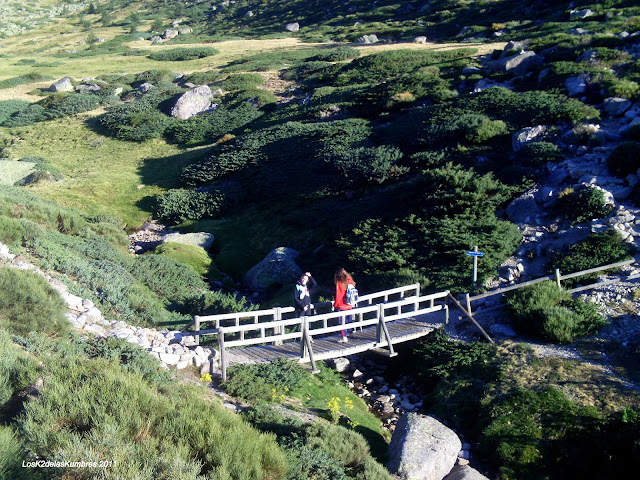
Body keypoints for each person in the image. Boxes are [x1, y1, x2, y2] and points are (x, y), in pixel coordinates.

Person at [333, 267, 355, 343]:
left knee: (341, 322)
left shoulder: (339, 283)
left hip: (342, 305)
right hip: (350, 304)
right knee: (349, 319)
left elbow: (339, 295)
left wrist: (335, 305)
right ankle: (351, 333)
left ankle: (344, 337)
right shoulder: (350, 280)